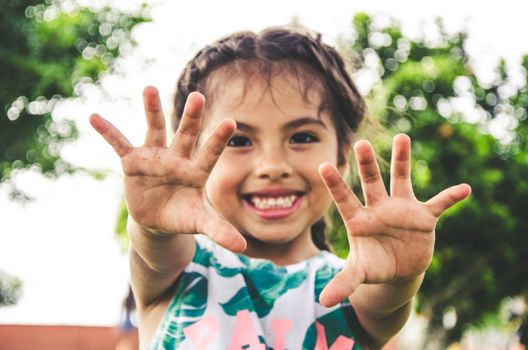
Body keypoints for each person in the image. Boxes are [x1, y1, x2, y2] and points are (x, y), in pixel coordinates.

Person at [90, 26, 471, 349]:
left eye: (302, 137)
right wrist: (152, 224)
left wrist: (400, 277)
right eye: (238, 141)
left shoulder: (351, 287)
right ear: (193, 159)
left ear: (342, 155)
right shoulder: (179, 272)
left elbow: (384, 300)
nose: (273, 166)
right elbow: (155, 249)